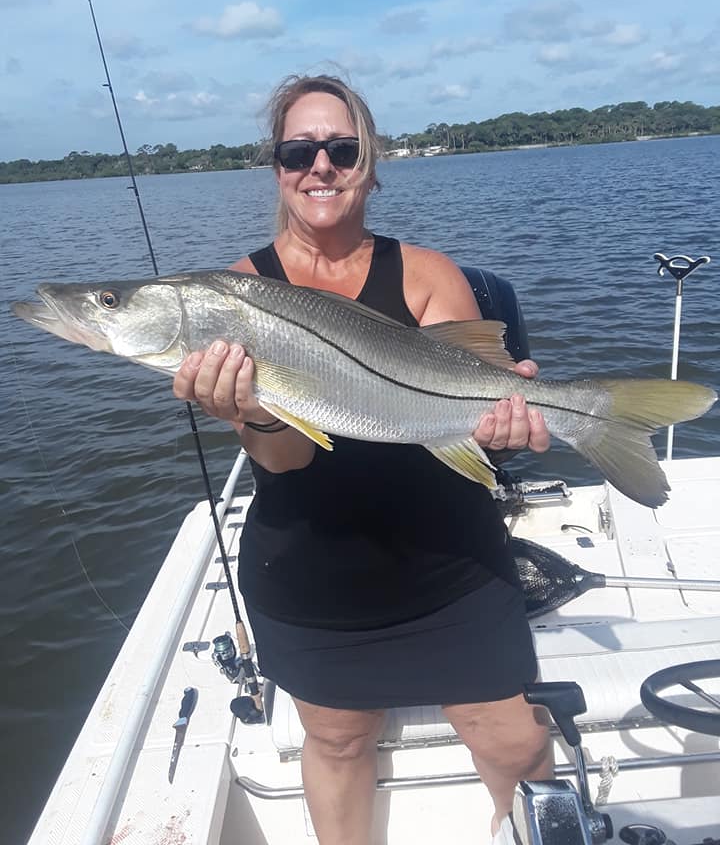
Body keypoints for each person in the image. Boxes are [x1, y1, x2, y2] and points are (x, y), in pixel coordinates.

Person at [173, 73, 554, 842]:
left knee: (510, 735)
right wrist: (249, 411)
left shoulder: (427, 272)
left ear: (370, 165)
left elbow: (475, 399)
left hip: (449, 557)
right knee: (339, 738)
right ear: (276, 167)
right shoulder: (238, 293)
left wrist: (509, 421)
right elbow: (282, 464)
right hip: (316, 569)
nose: (320, 166)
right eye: (298, 150)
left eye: (341, 149)